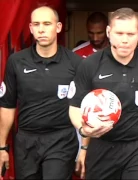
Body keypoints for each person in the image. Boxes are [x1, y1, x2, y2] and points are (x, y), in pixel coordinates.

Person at [68, 7, 138, 180]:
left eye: (130, 34)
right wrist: (83, 129)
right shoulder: (90, 65)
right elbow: (75, 107)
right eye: (119, 33)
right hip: (102, 147)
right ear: (109, 32)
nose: (125, 40)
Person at [0, 6, 82, 179]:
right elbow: (7, 105)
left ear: (58, 27)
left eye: (47, 23)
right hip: (26, 141)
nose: (41, 29)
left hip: (61, 140)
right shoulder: (16, 61)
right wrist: (1, 147)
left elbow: (84, 105)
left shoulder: (75, 63)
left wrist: (85, 147)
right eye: (36, 24)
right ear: (31, 28)